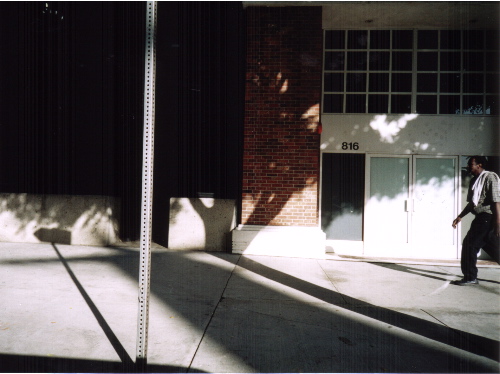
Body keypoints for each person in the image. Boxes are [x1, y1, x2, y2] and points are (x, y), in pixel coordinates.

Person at [452, 156, 500, 286]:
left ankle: (470, 277)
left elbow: (497, 201)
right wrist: (460, 216)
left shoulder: (490, 177)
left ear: (479, 165)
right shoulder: (474, 181)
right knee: (494, 248)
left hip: (487, 218)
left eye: (470, 164)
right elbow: (472, 203)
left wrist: (497, 223)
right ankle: (470, 276)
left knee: (469, 245)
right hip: (480, 218)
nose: (468, 166)